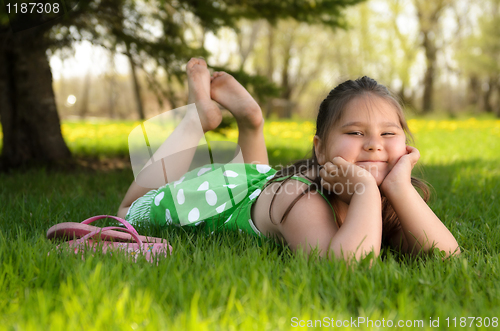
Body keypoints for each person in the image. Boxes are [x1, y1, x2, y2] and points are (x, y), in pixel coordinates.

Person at [117, 58, 460, 261]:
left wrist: (399, 187)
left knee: (260, 175)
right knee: (130, 209)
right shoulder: (302, 199)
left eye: (388, 135)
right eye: (355, 133)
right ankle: (197, 119)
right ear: (321, 149)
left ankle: (252, 121)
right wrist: (366, 192)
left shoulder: (391, 200)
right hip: (218, 199)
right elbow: (344, 268)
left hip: (258, 186)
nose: (374, 146)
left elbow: (446, 256)